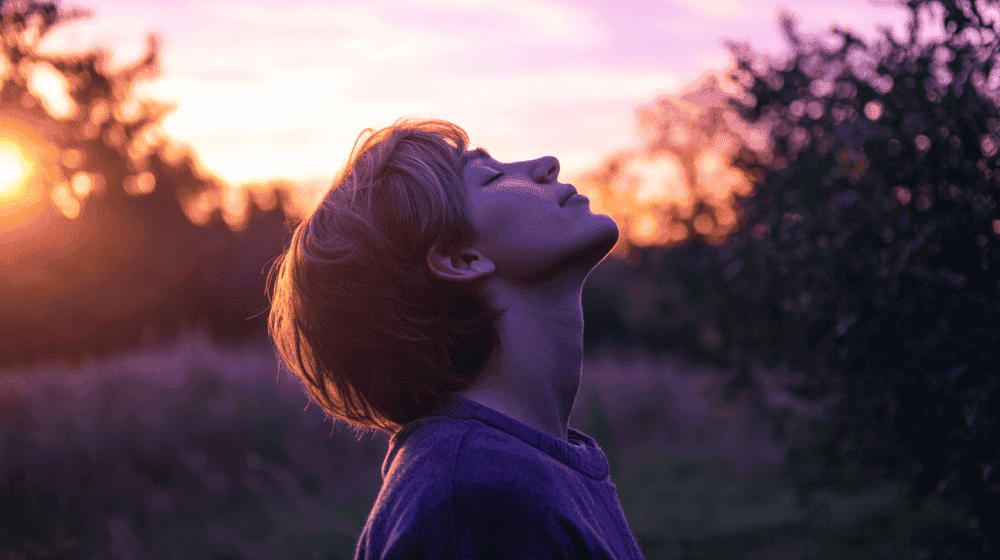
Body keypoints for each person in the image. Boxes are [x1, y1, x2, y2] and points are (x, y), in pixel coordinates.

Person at [268, 118, 644, 559]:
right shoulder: (475, 496)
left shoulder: (509, 468)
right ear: (461, 258)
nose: (547, 164)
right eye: (493, 177)